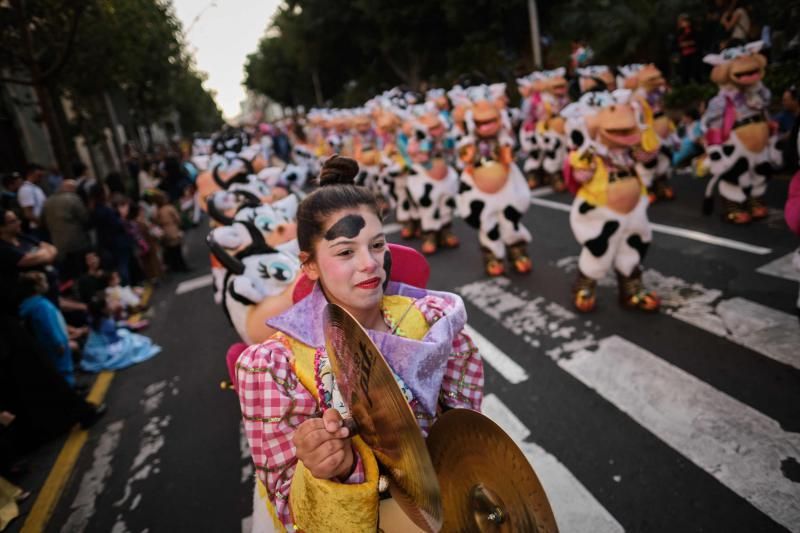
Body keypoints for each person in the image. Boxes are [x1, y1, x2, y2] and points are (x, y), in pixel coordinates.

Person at [236, 155, 484, 531]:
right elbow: (289, 506)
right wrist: (329, 470)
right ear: (309, 265)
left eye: (378, 245)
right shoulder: (275, 365)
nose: (370, 264)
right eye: (346, 252)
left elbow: (469, 437)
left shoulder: (434, 323)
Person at [16, 272, 76, 387]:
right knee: (63, 371)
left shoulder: (27, 305)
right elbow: (49, 327)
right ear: (36, 286)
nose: (47, 284)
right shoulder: (42, 305)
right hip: (56, 346)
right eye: (44, 281)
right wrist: (58, 343)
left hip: (45, 346)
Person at [41, 179, 91, 280]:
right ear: (71, 189)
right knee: (81, 270)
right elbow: (85, 218)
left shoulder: (47, 201)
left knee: (69, 273)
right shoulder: (73, 198)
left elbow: (42, 221)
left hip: (58, 244)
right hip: (76, 242)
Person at [152, 191, 189, 273]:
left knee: (171, 250)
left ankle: (174, 267)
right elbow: (177, 218)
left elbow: (155, 221)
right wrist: (180, 225)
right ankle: (183, 266)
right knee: (178, 249)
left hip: (165, 231)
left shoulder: (157, 211)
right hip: (173, 228)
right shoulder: (169, 208)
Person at [17, 164, 47, 235]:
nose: (41, 177)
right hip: (38, 227)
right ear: (30, 173)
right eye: (39, 175)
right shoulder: (25, 189)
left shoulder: (36, 188)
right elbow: (28, 213)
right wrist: (42, 224)